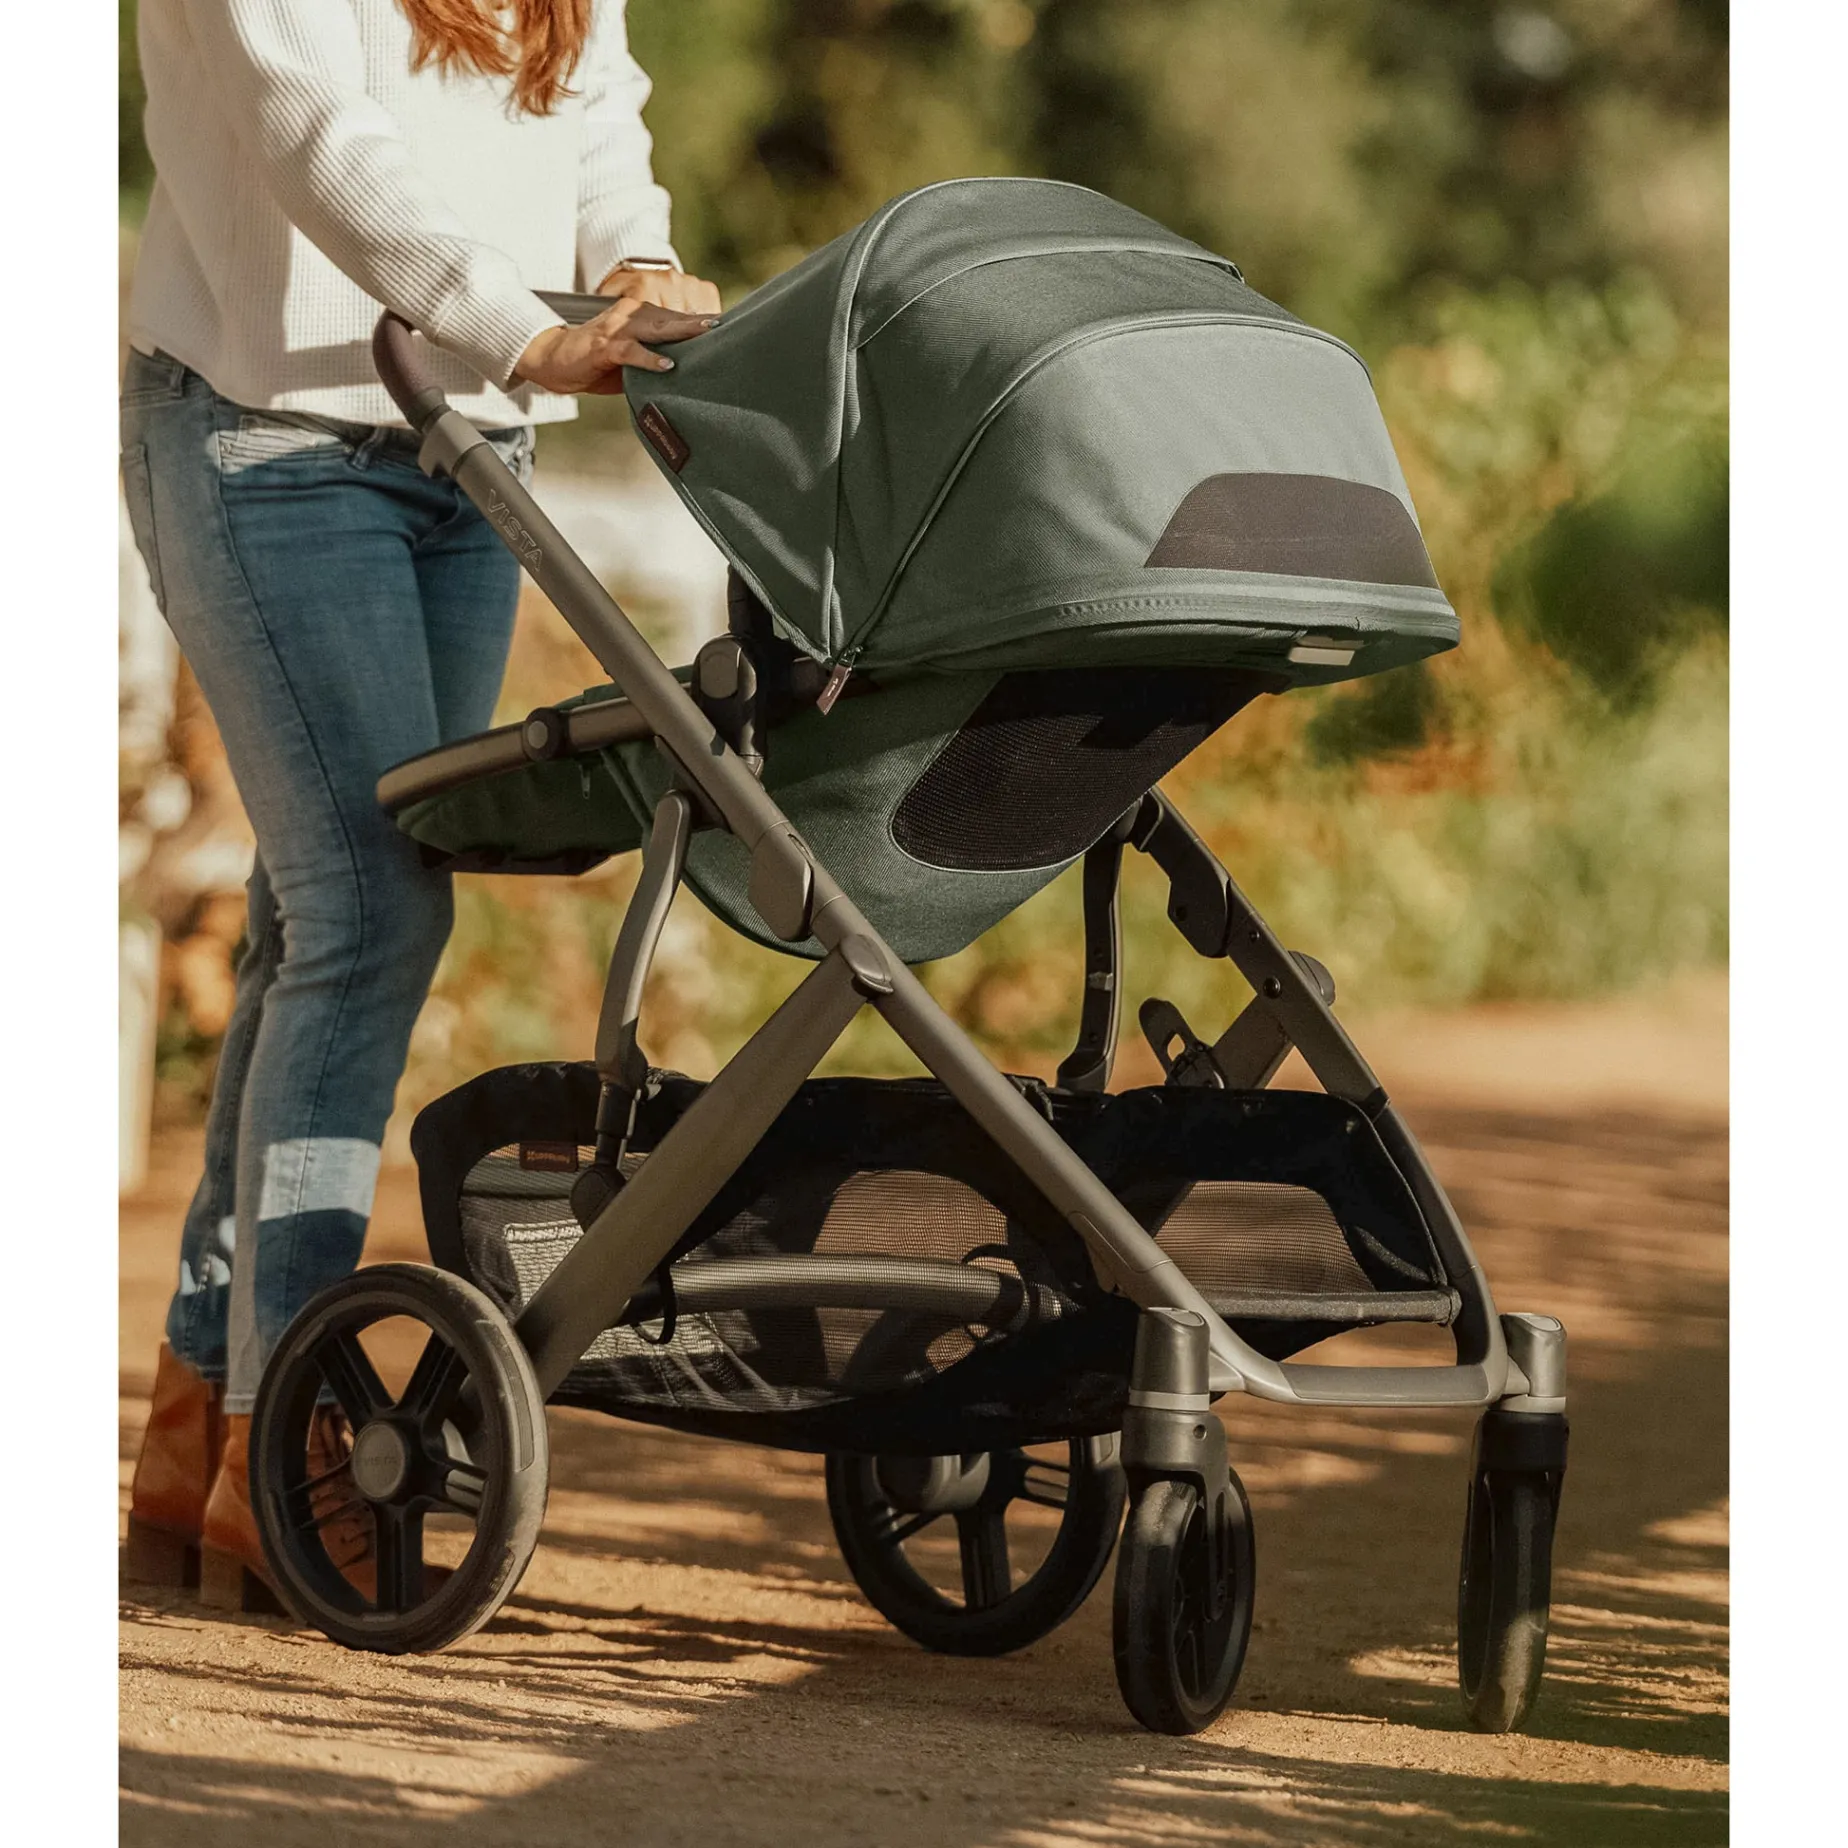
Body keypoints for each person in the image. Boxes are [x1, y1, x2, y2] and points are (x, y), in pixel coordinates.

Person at [122, 0, 717, 1608]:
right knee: (371, 911)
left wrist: (638, 259)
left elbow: (595, 102)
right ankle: (287, 1420)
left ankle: (205, 1424)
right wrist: (518, 326)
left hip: (462, 450)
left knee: (313, 919)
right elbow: (314, 132)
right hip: (267, 438)